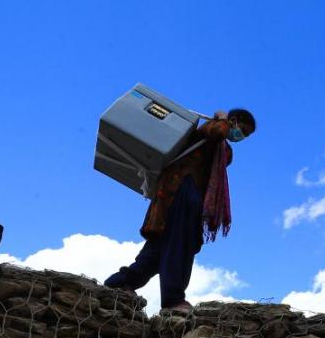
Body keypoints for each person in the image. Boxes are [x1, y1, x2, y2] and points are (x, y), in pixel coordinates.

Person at [105, 108, 255, 311]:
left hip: (184, 198)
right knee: (180, 245)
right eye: (242, 130)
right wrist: (222, 119)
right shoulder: (211, 129)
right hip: (181, 193)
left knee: (157, 252)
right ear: (233, 121)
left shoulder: (222, 147)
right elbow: (218, 132)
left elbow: (227, 157)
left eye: (245, 135)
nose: (241, 136)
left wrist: (225, 128)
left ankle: (121, 283)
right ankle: (173, 300)